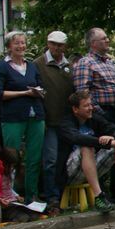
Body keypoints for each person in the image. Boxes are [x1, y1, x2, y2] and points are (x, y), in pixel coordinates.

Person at [58, 91, 115, 213]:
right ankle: (99, 197)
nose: (90, 108)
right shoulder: (66, 123)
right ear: (75, 109)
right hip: (70, 172)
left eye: (91, 104)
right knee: (87, 147)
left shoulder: (94, 118)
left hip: (92, 169)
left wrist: (114, 139)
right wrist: (102, 142)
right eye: (86, 106)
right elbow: (76, 138)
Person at [0, 31, 46, 203]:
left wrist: (39, 92)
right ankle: (9, 196)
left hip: (35, 115)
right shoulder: (2, 67)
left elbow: (41, 86)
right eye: (17, 43)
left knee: (34, 157)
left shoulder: (31, 66)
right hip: (12, 117)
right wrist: (24, 93)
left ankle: (32, 195)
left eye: (23, 43)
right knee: (11, 156)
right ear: (9, 47)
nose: (21, 46)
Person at [73, 27, 115, 198]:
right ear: (93, 43)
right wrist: (98, 113)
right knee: (103, 151)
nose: (108, 40)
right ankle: (101, 192)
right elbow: (83, 91)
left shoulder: (108, 62)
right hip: (101, 114)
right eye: (104, 38)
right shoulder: (86, 62)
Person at [33, 31, 74, 213]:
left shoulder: (69, 66)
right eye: (53, 44)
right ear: (48, 44)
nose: (57, 48)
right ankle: (51, 198)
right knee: (49, 160)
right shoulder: (38, 64)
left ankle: (61, 196)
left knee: (64, 161)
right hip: (48, 120)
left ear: (65, 46)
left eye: (60, 45)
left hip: (66, 120)